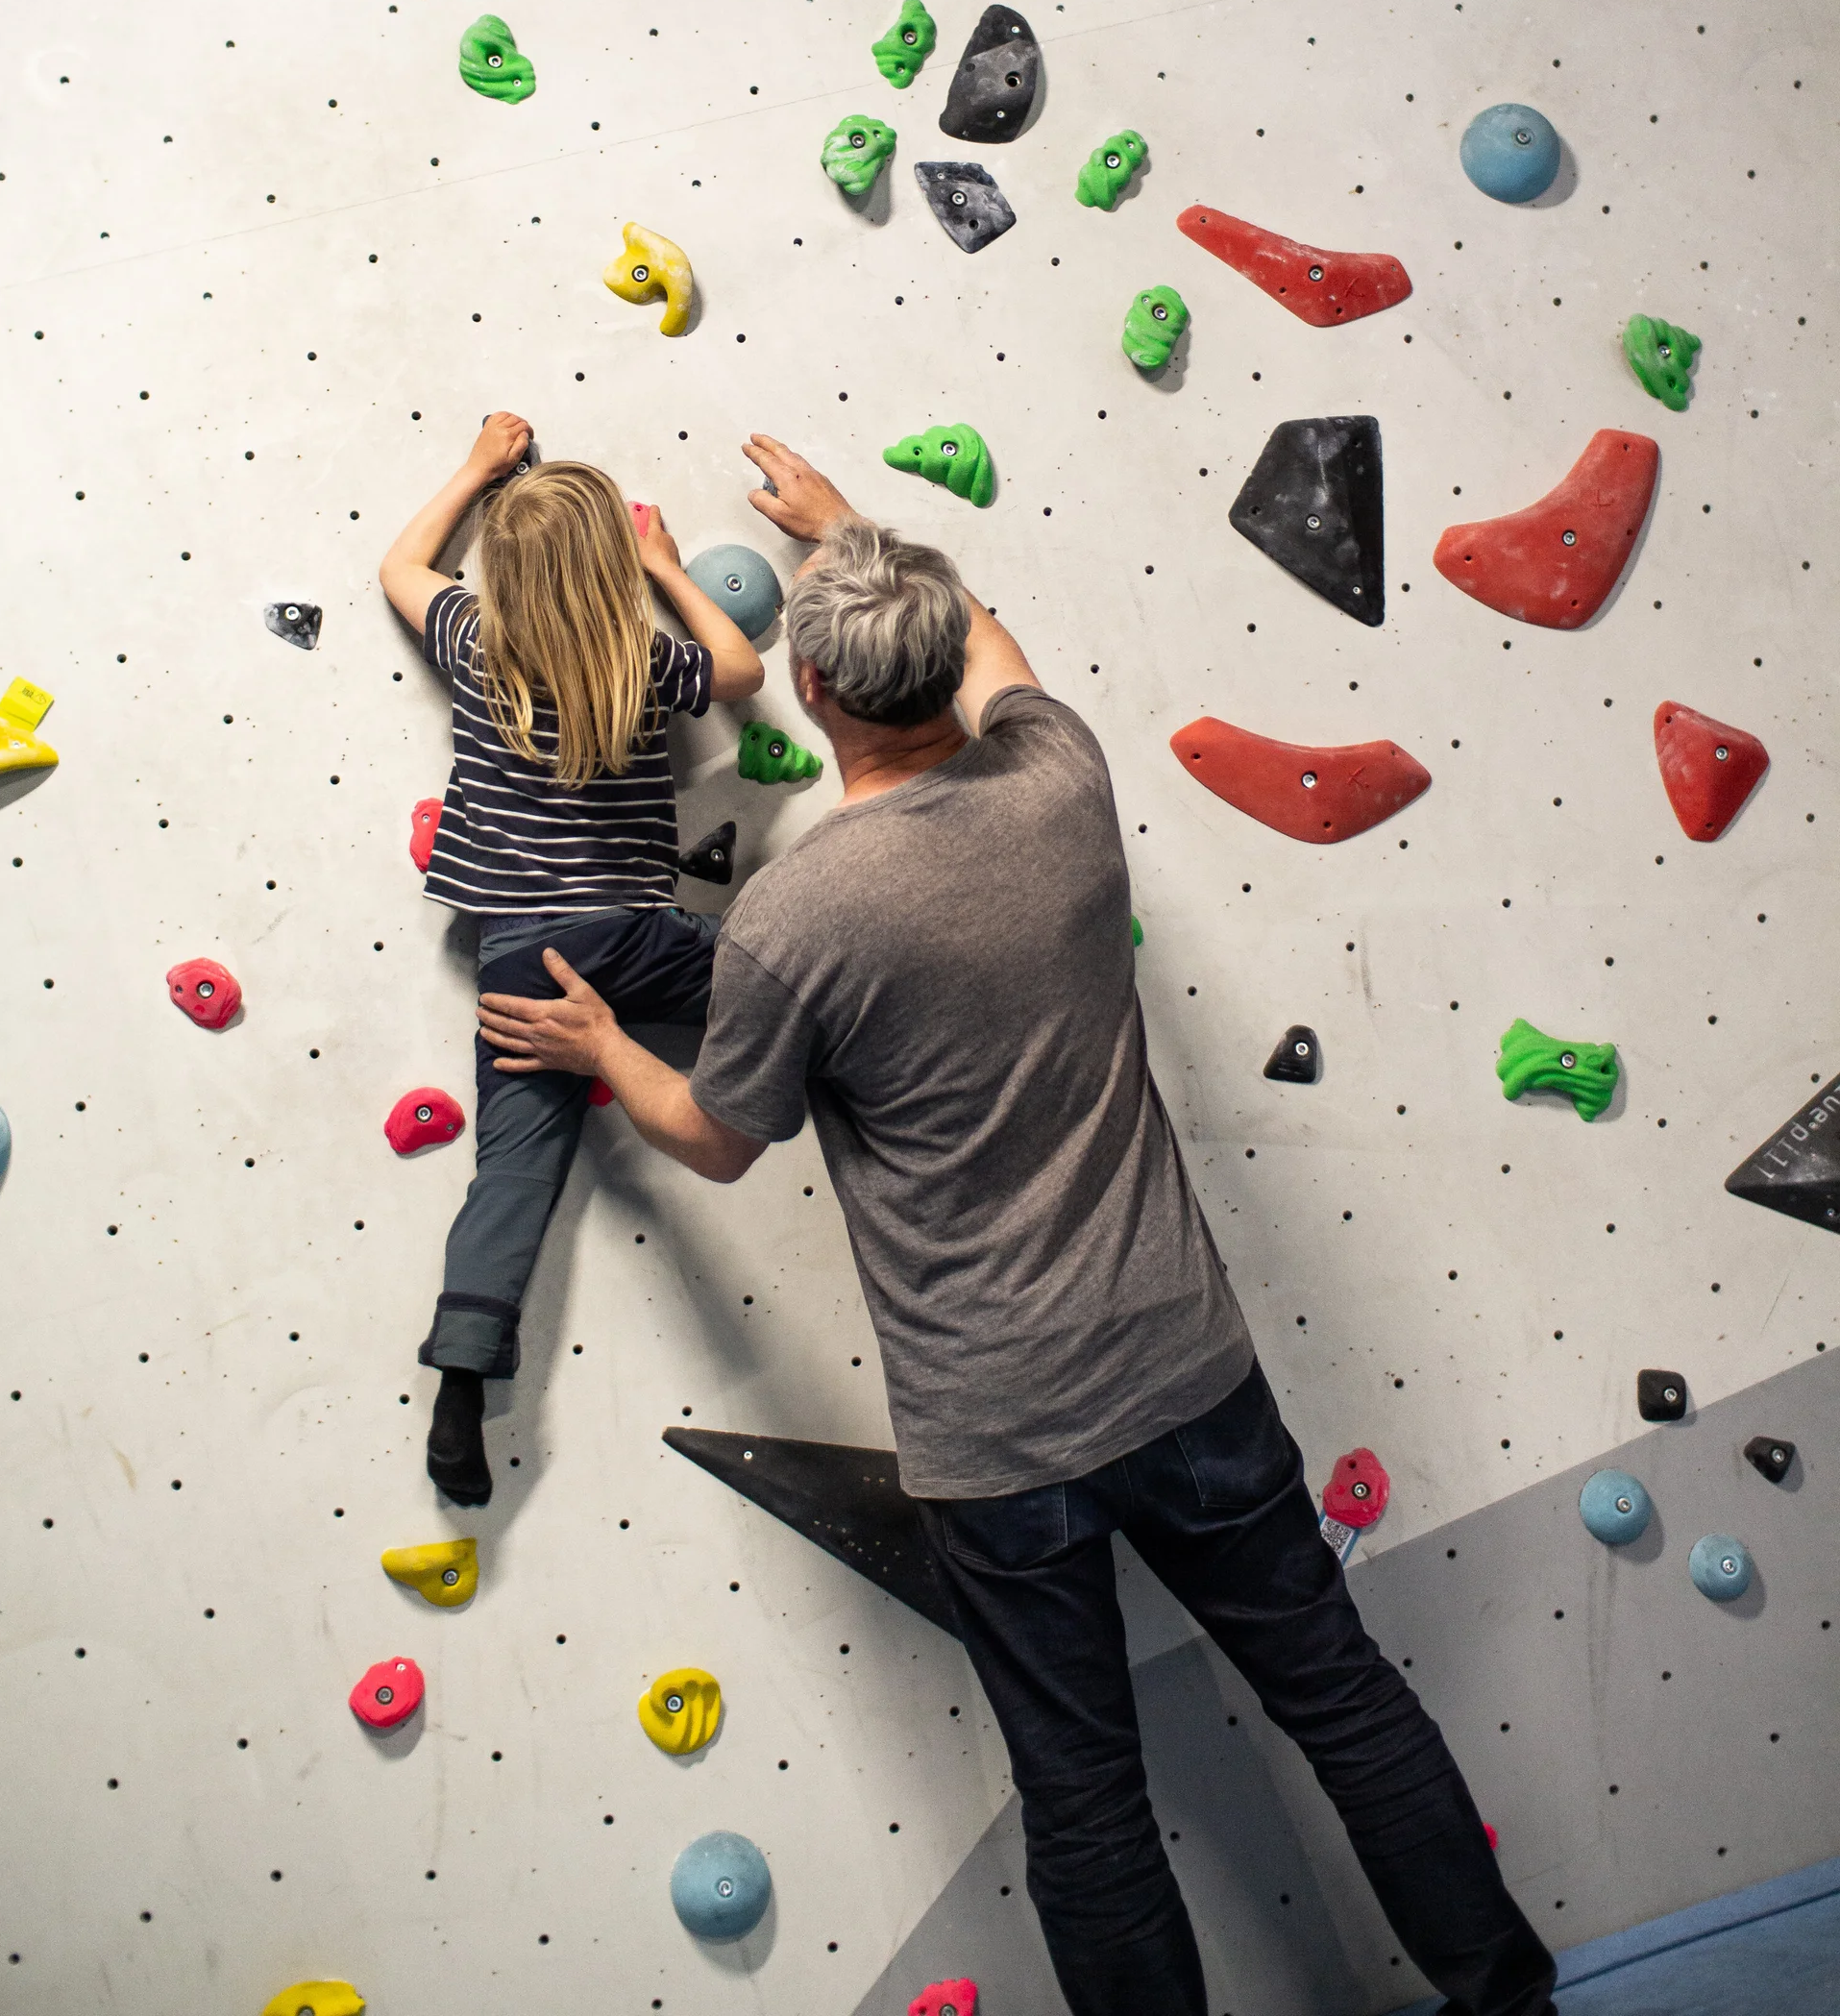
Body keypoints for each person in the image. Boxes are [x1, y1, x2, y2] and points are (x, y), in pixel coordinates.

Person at [477, 433, 1558, 2016]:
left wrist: (600, 1051)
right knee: (1340, 1698)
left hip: (1000, 1440)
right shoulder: (1061, 777)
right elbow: (998, 651)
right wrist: (857, 535)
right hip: (1187, 1376)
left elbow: (716, 1140)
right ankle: (1513, 2001)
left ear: (821, 696)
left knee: (1087, 1802)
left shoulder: (795, 920)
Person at [379, 412, 764, 1507]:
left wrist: (474, 470)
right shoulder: (637, 657)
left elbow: (400, 565)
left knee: (513, 1172)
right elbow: (738, 670)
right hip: (636, 935)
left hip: (522, 963)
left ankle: (461, 1379)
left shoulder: (475, 644)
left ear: (500, 570)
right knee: (783, 997)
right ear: (606, 567)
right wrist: (665, 569)